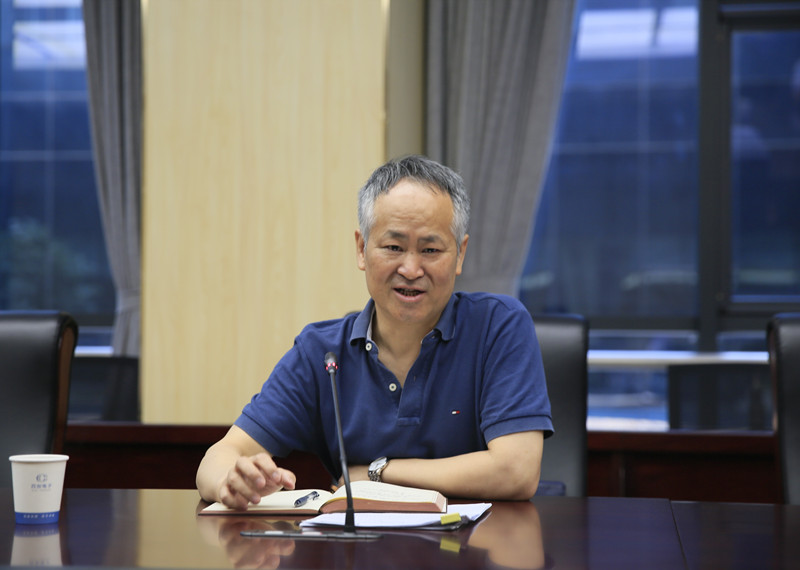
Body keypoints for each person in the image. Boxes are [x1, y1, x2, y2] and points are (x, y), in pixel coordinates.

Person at [196, 155, 553, 509]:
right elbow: (218, 458)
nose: (411, 269)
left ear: (459, 254)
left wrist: (378, 472)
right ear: (362, 249)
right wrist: (231, 481)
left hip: (476, 541)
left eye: (430, 249)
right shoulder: (322, 352)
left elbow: (516, 471)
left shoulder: (499, 326)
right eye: (393, 247)